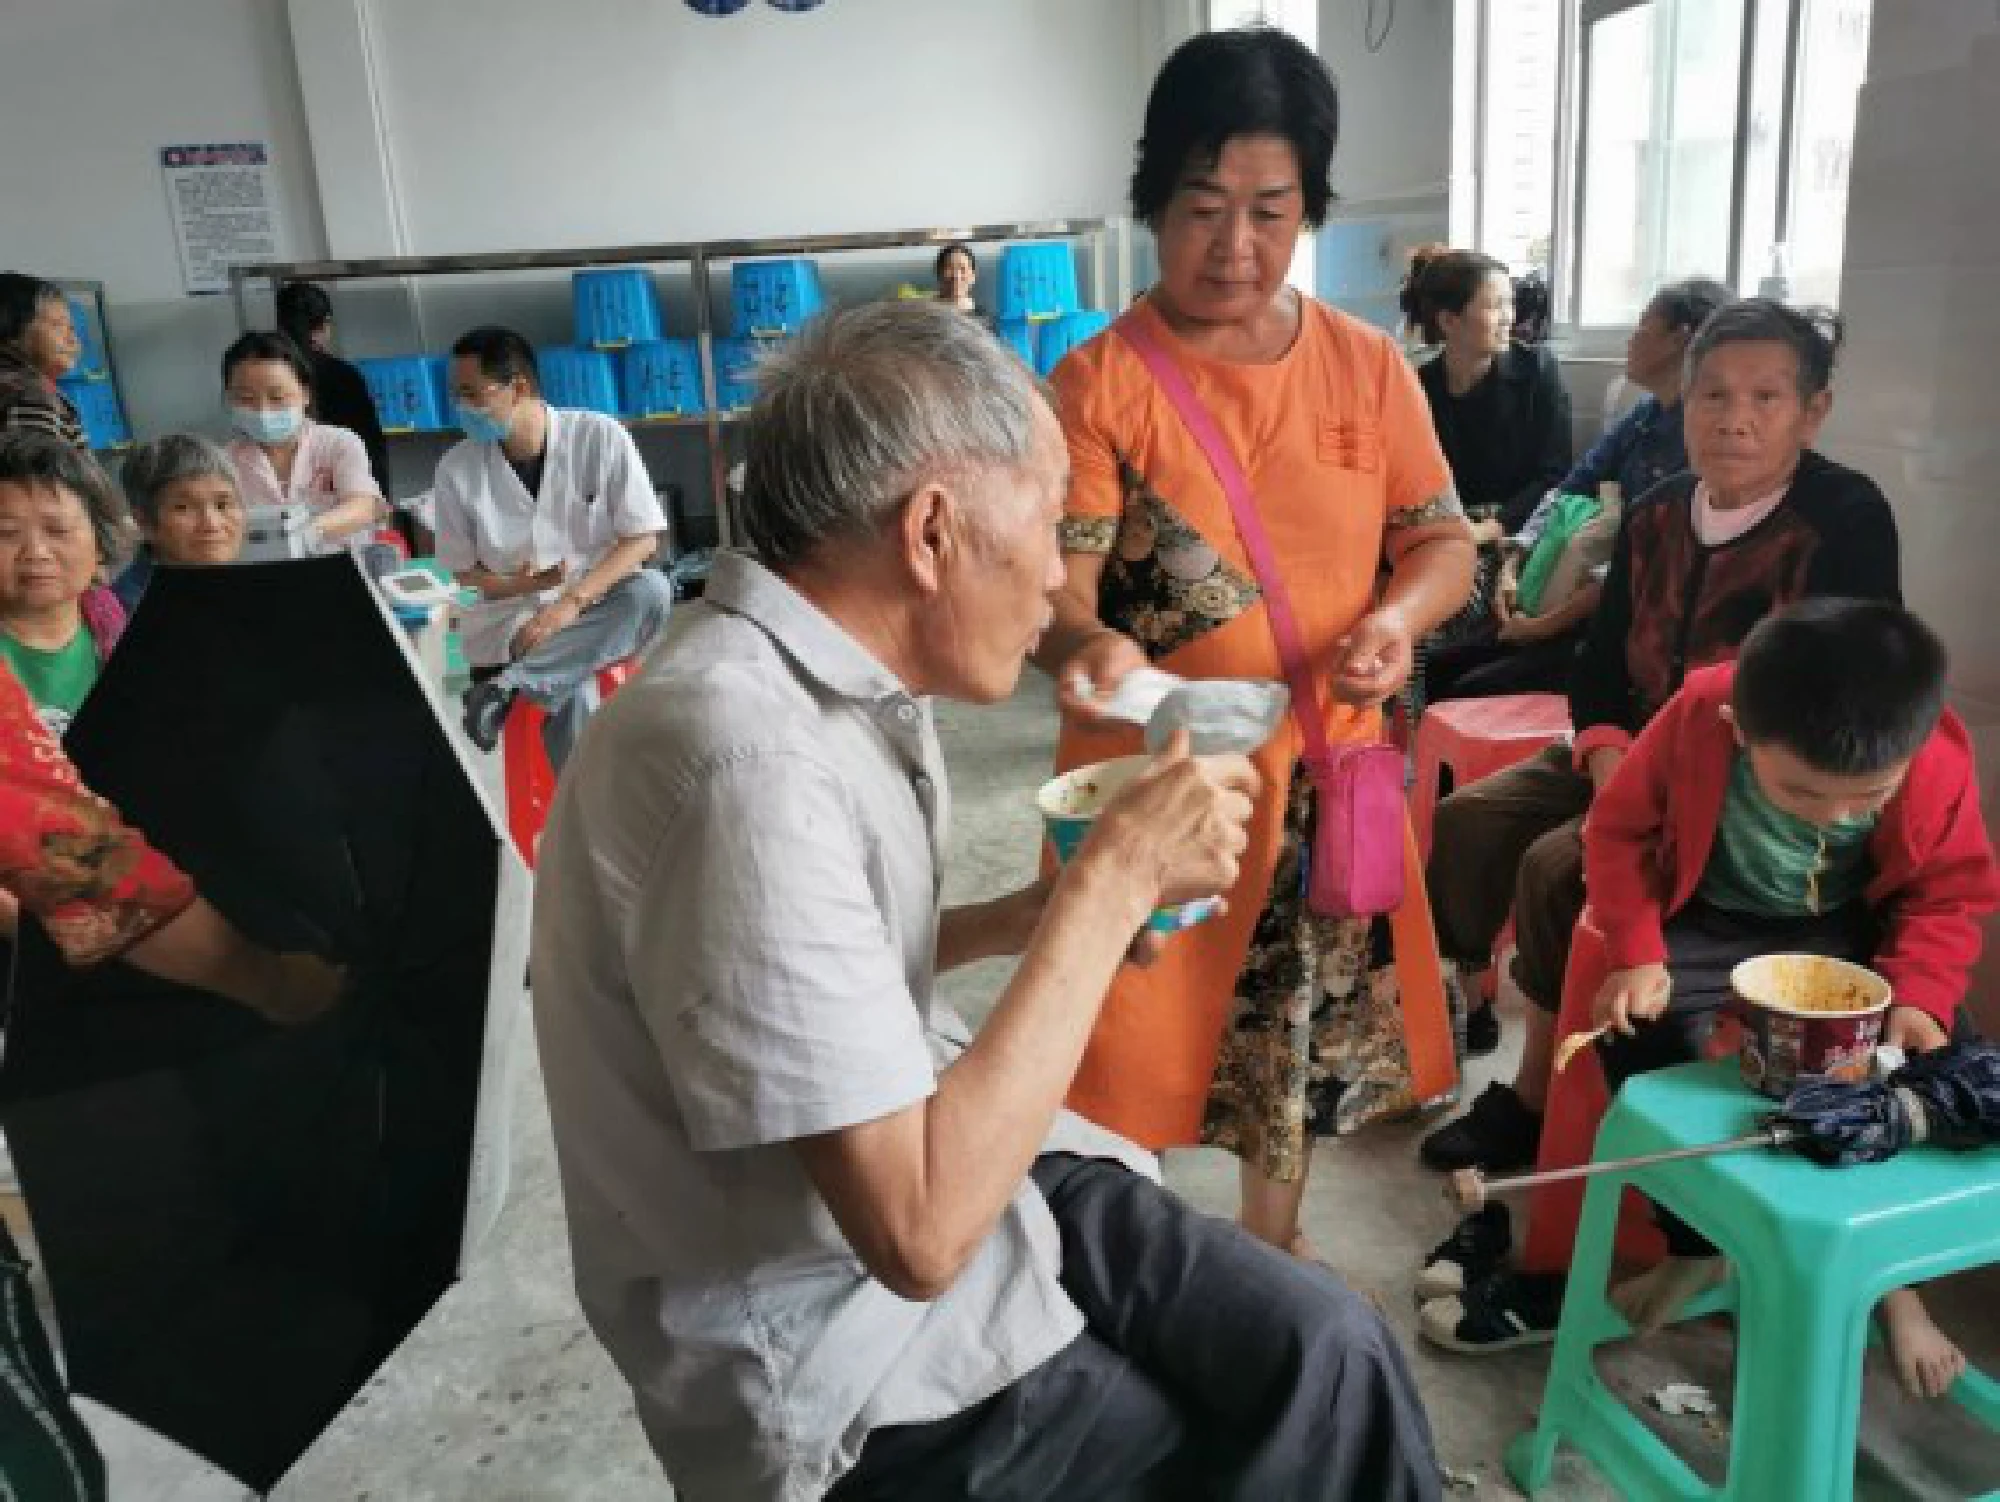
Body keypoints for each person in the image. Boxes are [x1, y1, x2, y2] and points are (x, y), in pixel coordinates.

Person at [532, 299, 1442, 1502]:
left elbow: (832, 967)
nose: (1067, 580)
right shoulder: (745, 762)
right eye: (1051, 513)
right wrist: (1104, 891)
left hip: (954, 1159)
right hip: (843, 1345)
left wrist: (1024, 911)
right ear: (931, 532)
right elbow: (915, 1235)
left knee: (1333, 1349)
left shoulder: (838, 685)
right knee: (1240, 1453)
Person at [1033, 29, 1477, 1258]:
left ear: (1310, 213)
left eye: (1270, 212)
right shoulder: (1095, 386)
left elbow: (1440, 541)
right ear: (1151, 205)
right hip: (1154, 789)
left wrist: (1395, 618)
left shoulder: (1365, 366)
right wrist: (1089, 645)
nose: (1235, 245)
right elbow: (1049, 599)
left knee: (1287, 1052)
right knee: (1130, 1041)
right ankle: (1137, 1268)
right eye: (1202, 207)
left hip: (1322, 779)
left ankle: (1268, 1260)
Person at [1421, 602, 1995, 1385]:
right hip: (1713, 920)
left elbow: (1946, 896)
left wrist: (1922, 996)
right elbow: (1615, 833)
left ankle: (1897, 1287)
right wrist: (1636, 954)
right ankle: (1695, 1248)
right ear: (1736, 728)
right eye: (1800, 792)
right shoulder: (1697, 714)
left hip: (1852, 930)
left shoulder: (1935, 761)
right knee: (1633, 1030)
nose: (1834, 816)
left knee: (1937, 1068)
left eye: (1868, 798)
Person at [1418, 300, 1905, 1197]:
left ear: (1814, 410)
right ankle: (1469, 1006)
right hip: (1627, 749)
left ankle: (1536, 1091)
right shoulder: (1655, 512)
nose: (1735, 417)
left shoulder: (1842, 517)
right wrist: (1604, 757)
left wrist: (1642, 790)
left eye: (1766, 395)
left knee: (1561, 869)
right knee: (1469, 820)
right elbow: (1600, 669)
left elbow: (1847, 692)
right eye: (1712, 393)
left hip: (1748, 787)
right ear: (1682, 402)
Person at [1425, 277, 1734, 706]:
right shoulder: (1643, 418)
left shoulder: (1698, 442)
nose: (1631, 339)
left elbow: (1640, 566)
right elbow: (1569, 487)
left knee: (1469, 689)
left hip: (1616, 627)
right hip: (1560, 599)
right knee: (1440, 667)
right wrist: (1514, 561)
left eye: (1644, 324)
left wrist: (1545, 625)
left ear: (1680, 340)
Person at [436, 326, 671, 769]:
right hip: (514, 617)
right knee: (572, 691)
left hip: (596, 605)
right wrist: (515, 583)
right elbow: (464, 574)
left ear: (519, 387)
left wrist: (569, 603)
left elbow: (642, 539)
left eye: (471, 393)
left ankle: (506, 688)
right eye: (456, 395)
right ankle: (590, 823)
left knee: (653, 590)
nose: (461, 407)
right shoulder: (456, 468)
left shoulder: (600, 437)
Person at [1405, 246, 1571, 539]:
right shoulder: (1418, 387)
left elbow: (1554, 476)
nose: (1509, 317)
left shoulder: (1537, 370)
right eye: (1496, 306)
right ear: (1448, 321)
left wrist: (1489, 529)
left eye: (1510, 303)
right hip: (1444, 529)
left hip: (1517, 530)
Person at [0, 432, 131, 737]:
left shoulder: (119, 625)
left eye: (58, 530)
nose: (36, 553)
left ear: (99, 542)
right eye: (6, 533)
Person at [220, 331, 388, 553]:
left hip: (340, 569)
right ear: (230, 398)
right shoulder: (224, 462)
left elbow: (364, 506)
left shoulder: (338, 443)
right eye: (246, 399)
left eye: (277, 397)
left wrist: (308, 530)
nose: (263, 410)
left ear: (305, 394)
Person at [275, 280, 391, 495]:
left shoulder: (272, 371)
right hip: (343, 490)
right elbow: (371, 447)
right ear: (324, 324)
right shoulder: (343, 375)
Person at [111, 433, 247, 612]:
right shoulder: (128, 611)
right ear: (144, 522)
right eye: (183, 508)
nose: (212, 524)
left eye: (222, 505)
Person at [0, 274, 85, 450]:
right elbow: (37, 475)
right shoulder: (27, 395)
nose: (73, 340)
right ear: (12, 328)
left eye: (71, 328)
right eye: (57, 325)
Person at [934, 240, 983, 320]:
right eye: (950, 268)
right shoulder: (927, 315)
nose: (956, 276)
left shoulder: (983, 320)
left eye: (963, 269)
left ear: (973, 276)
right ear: (938, 273)